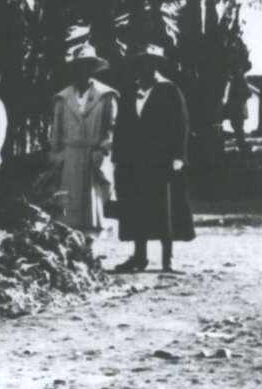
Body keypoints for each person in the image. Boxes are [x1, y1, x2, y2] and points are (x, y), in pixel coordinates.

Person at [111, 45, 195, 273]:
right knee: (137, 206)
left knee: (164, 207)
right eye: (142, 63)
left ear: (156, 66)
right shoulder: (131, 91)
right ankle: (139, 257)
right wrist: (118, 156)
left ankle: (168, 259)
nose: (145, 68)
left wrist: (178, 156)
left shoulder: (169, 90)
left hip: (161, 160)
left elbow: (181, 125)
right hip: (135, 161)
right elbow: (122, 127)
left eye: (150, 63)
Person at [49, 51, 118, 234]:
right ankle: (70, 245)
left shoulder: (106, 95)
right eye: (79, 66)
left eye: (88, 65)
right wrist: (56, 156)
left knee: (93, 205)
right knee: (68, 207)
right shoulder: (62, 97)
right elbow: (56, 131)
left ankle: (91, 246)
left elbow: (112, 128)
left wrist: (102, 151)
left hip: (93, 154)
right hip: (70, 155)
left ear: (93, 69)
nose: (83, 70)